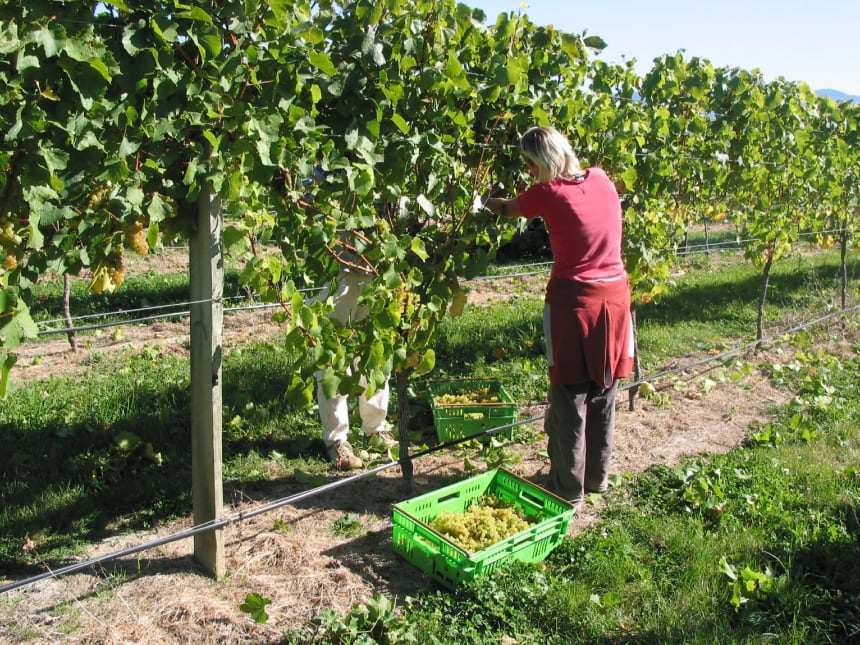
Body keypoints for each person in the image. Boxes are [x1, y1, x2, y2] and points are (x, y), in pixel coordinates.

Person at [484, 125, 633, 504]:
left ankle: (568, 490)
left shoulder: (547, 194)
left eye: (531, 165)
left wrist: (482, 201)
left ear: (542, 161)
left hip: (574, 302)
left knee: (569, 394)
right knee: (604, 386)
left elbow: (506, 209)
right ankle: (596, 479)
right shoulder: (601, 178)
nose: (530, 173)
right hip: (616, 298)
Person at [315, 263, 396, 470]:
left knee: (375, 350)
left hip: (376, 271)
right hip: (340, 269)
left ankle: (374, 429)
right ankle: (336, 440)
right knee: (333, 356)